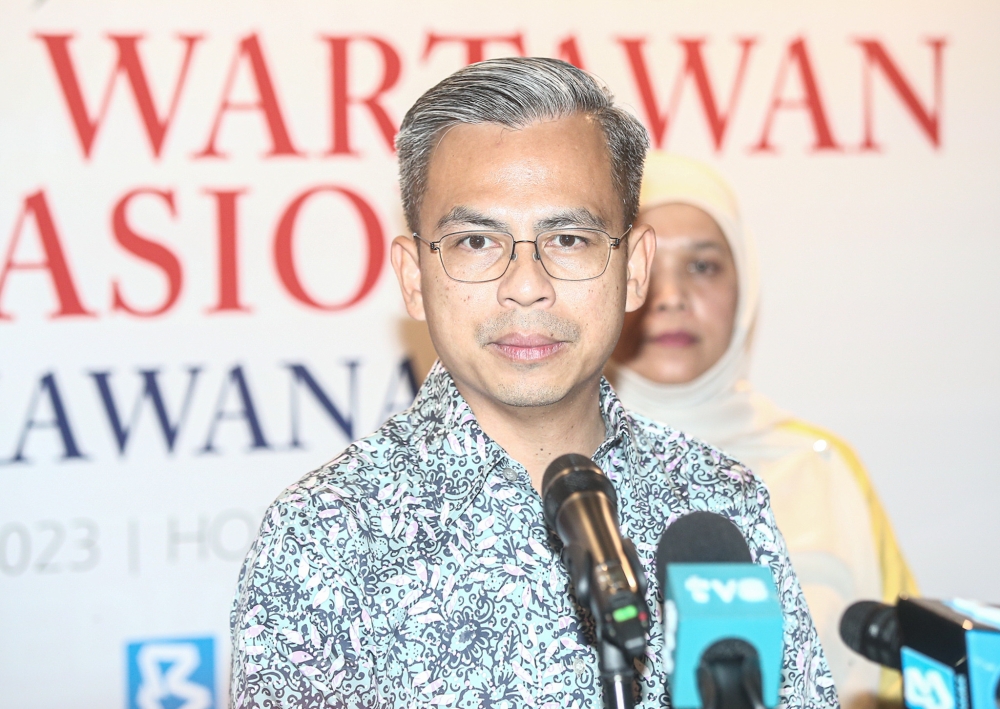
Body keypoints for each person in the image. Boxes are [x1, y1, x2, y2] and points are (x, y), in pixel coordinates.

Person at [230, 59, 837, 709]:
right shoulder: (326, 536)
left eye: (569, 237)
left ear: (634, 269)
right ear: (413, 276)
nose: (525, 284)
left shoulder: (719, 508)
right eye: (476, 241)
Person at [610, 152, 917, 709]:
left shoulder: (819, 468)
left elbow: (908, 679)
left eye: (703, 266)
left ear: (744, 285)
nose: (672, 296)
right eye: (645, 267)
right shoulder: (557, 476)